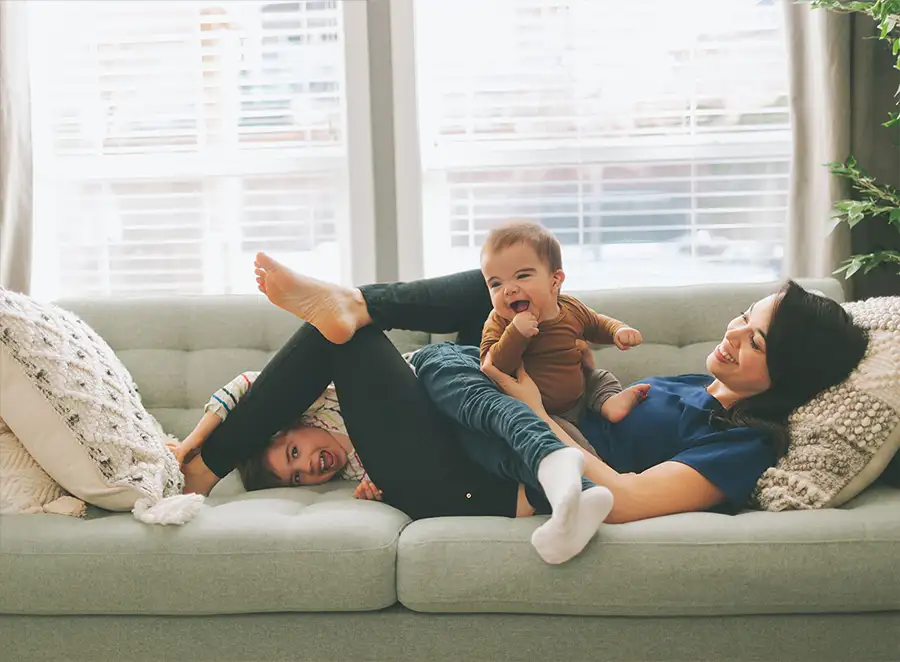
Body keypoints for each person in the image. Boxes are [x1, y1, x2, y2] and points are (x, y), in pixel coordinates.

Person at [177, 253, 868, 564]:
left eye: (756, 339)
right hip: (478, 421)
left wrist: (530, 403)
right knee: (508, 287)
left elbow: (624, 499)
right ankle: (363, 302)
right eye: (745, 316)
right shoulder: (696, 384)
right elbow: (596, 395)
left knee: (347, 343)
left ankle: (203, 468)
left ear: (788, 373)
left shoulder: (743, 443)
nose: (733, 333)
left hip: (479, 479)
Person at [479, 220, 647, 424]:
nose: (509, 289)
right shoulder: (500, 321)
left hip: (582, 392)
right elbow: (492, 366)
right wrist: (516, 333)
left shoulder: (569, 308)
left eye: (522, 276)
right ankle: (587, 453)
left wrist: (617, 330)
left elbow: (595, 323)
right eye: (496, 283)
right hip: (542, 411)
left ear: (555, 281)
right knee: (570, 443)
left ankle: (609, 403)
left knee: (600, 378)